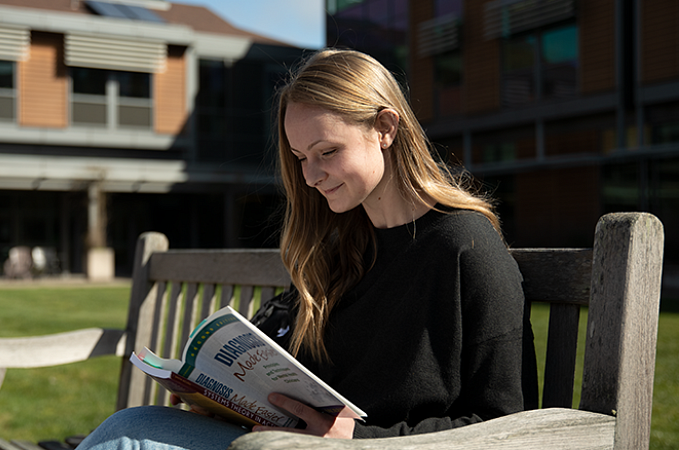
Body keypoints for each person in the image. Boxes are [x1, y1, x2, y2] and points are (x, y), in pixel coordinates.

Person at [76, 48, 533, 450]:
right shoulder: (343, 248)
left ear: (385, 127)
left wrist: (357, 440)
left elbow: (509, 427)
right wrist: (222, 401)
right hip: (283, 443)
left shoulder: (465, 248)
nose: (310, 176)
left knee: (129, 436)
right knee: (137, 426)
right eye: (300, 158)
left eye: (327, 152)